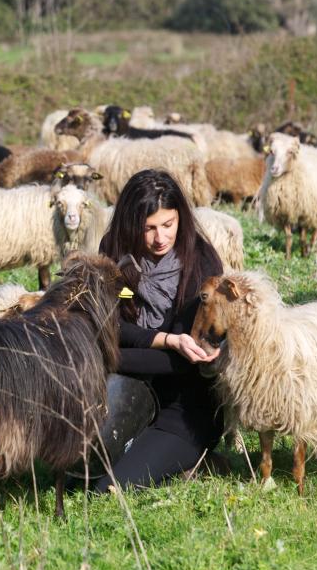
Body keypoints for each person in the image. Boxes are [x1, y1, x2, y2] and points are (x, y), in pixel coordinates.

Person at [93, 168, 224, 492]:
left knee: (108, 489)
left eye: (168, 224)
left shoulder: (202, 264)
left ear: (181, 217)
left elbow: (185, 360)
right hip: (122, 389)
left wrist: (103, 355)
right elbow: (109, 322)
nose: (160, 238)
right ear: (129, 223)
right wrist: (164, 339)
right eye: (148, 228)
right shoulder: (113, 251)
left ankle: (197, 458)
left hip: (183, 407)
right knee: (79, 479)